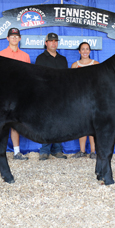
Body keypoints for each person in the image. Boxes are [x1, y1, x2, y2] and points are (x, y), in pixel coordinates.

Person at [0, 28, 29, 160]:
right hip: (4, 94)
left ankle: (16, 152)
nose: (14, 38)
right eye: (12, 36)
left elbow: (28, 77)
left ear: (20, 39)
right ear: (7, 38)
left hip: (19, 95)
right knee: (1, 124)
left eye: (16, 36)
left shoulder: (25, 56)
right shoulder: (0, 55)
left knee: (15, 122)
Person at [35, 32, 68, 161]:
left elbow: (66, 78)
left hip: (60, 95)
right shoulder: (40, 59)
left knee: (60, 122)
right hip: (46, 95)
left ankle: (57, 150)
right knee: (46, 122)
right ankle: (44, 150)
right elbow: (37, 78)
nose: (53, 43)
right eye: (51, 41)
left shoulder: (62, 59)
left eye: (55, 41)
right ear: (46, 43)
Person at [70, 42, 99, 160]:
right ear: (79, 51)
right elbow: (71, 84)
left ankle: (93, 151)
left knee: (92, 125)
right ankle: (82, 151)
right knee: (82, 125)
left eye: (87, 49)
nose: (85, 51)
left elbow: (99, 83)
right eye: (83, 49)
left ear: (90, 51)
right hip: (79, 99)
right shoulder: (74, 65)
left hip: (93, 99)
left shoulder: (96, 64)